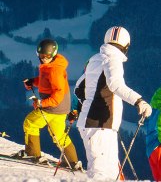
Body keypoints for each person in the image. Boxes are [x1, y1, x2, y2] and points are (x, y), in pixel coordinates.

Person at [75, 25, 152, 180]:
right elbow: (115, 84)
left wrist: (88, 105)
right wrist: (138, 101)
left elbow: (78, 88)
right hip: (100, 125)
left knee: (108, 173)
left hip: (93, 124)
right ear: (126, 45)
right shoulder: (113, 58)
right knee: (102, 175)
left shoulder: (94, 59)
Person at [17, 38, 82, 169]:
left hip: (52, 107)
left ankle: (32, 153)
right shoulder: (52, 66)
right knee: (58, 135)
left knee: (30, 123)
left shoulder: (54, 70)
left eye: (47, 56)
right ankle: (73, 161)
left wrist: (42, 103)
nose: (44, 58)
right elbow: (46, 82)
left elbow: (57, 93)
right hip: (61, 108)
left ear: (53, 55)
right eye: (42, 56)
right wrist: (33, 81)